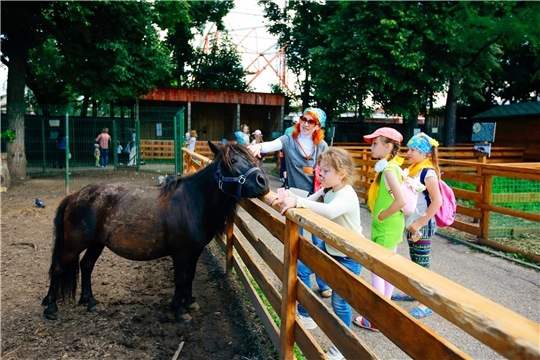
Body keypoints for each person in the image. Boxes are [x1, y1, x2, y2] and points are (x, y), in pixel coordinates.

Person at [269, 148, 362, 360]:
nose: (320, 173)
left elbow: (329, 211)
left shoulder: (345, 193)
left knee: (340, 303)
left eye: (326, 170)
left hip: (348, 256)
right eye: (321, 168)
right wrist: (284, 195)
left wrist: (298, 202)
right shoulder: (328, 190)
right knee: (301, 269)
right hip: (332, 250)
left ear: (342, 173)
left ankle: (343, 345)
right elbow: (309, 198)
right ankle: (306, 314)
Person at [249, 107, 331, 298]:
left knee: (319, 242)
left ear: (318, 126)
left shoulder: (322, 146)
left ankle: (323, 283)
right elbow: (272, 144)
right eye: (303, 118)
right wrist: (259, 147)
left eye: (311, 122)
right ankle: (299, 281)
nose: (305, 124)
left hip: (317, 199)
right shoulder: (289, 140)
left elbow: (329, 169)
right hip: (295, 198)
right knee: (296, 241)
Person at [353, 127, 406, 331]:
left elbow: (400, 201)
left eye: (375, 143)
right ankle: (386, 312)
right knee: (387, 270)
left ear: (388, 146)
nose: (371, 147)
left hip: (386, 225)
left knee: (377, 269)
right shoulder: (391, 167)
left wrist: (382, 215)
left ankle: (376, 318)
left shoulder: (390, 170)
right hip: (392, 225)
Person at [391, 132, 443, 319]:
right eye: (409, 149)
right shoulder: (414, 169)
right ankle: (414, 292)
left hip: (423, 224)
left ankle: (426, 303)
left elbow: (437, 201)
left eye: (413, 150)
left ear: (425, 153)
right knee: (415, 260)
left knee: (422, 264)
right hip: (413, 223)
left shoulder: (428, 172)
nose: (409, 152)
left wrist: (420, 222)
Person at [280, 115, 300, 185]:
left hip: (287, 150)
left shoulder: (288, 130)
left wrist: (281, 151)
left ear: (292, 123)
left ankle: (285, 180)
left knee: (285, 165)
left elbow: (284, 141)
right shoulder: (300, 130)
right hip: (297, 151)